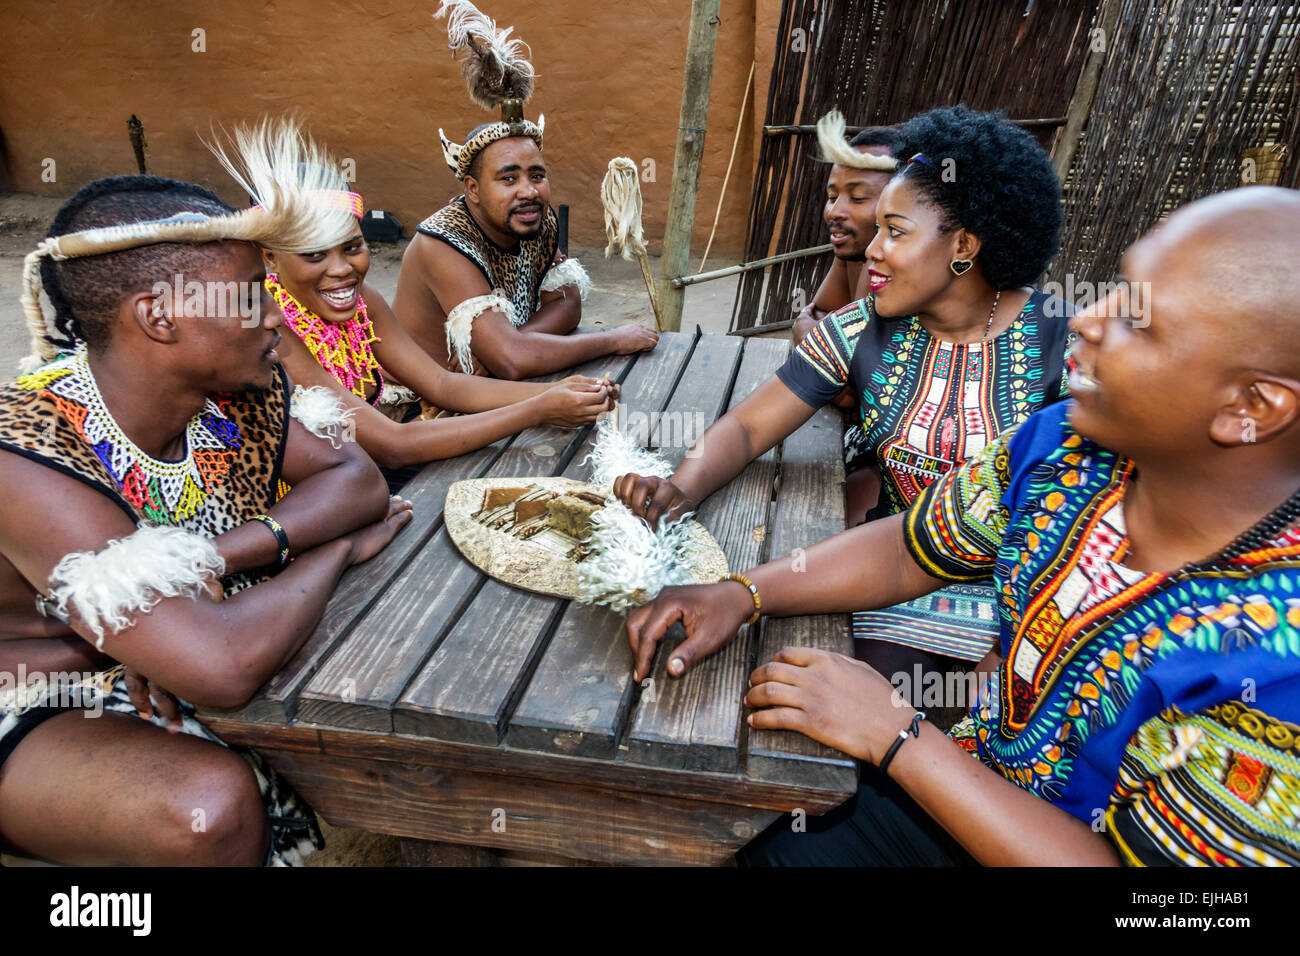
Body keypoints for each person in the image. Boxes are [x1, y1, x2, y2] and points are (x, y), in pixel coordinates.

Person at [625, 186, 1300, 867]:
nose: (1091, 320)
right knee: (738, 826)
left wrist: (899, 735)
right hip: (966, 797)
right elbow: (911, 548)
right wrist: (744, 593)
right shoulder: (1064, 448)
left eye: (1141, 320)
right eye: (1117, 290)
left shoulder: (1279, 663)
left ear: (1252, 406)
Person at [0, 174, 411, 866]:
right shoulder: (31, 452)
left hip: (160, 654)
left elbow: (358, 481)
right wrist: (331, 553)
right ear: (159, 318)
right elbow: (220, 666)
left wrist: (213, 561)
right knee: (207, 811)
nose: (277, 314)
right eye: (251, 295)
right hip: (42, 701)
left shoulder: (232, 389)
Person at [615, 106, 1073, 674]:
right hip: (894, 578)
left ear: (964, 247)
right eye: (877, 226)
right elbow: (748, 426)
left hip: (1033, 606)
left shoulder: (1067, 345)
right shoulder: (859, 329)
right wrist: (682, 489)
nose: (873, 249)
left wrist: (1010, 653)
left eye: (895, 231)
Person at [215, 119, 619, 494]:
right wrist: (538, 408)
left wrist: (559, 392)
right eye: (313, 255)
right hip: (305, 505)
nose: (341, 270)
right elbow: (393, 444)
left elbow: (442, 385)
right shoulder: (268, 330)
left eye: (353, 248)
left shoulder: (363, 300)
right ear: (269, 259)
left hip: (362, 474)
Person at [393, 0, 658, 378]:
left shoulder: (533, 218)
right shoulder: (444, 242)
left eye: (536, 175)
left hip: (485, 388)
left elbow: (567, 303)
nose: (528, 191)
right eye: (508, 178)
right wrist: (612, 339)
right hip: (426, 409)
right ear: (472, 188)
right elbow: (515, 363)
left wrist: (510, 343)